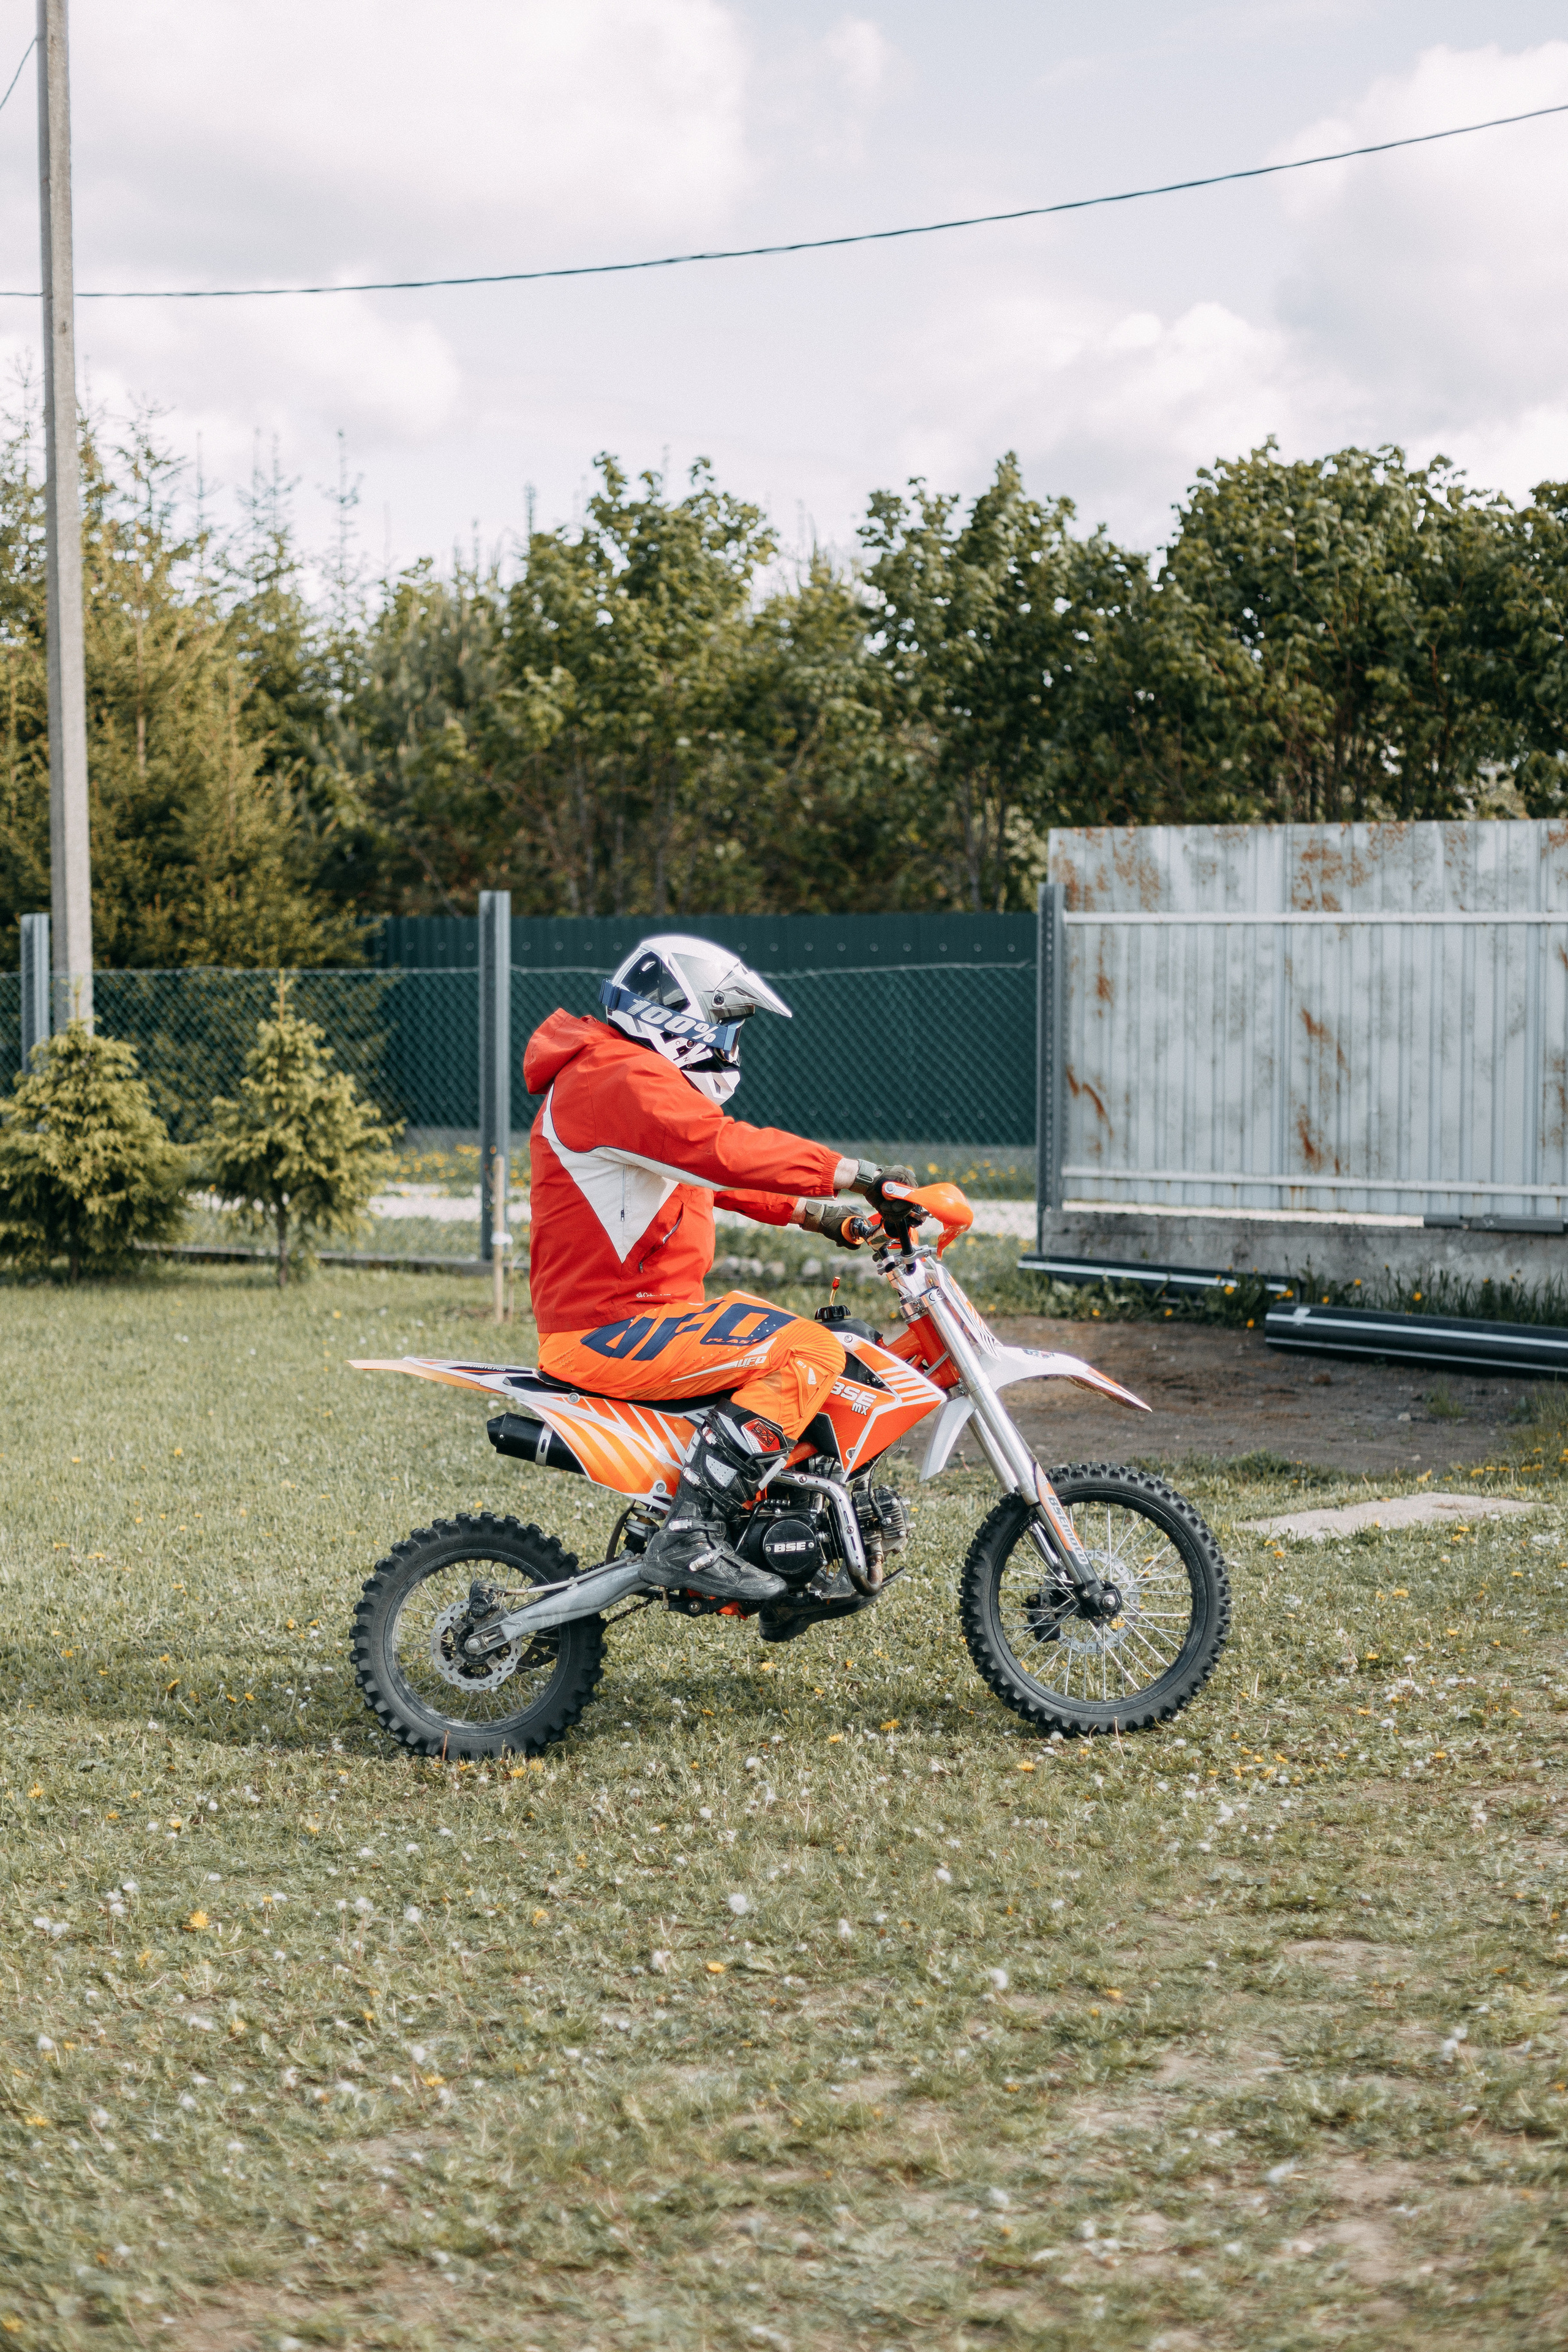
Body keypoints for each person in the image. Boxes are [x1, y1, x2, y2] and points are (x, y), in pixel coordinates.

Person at [522, 934, 907, 1605]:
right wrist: (853, 1174)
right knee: (810, 1351)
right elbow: (717, 1149)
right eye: (723, 1022)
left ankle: (792, 1566)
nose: (728, 1041)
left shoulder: (615, 1074)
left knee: (831, 1353)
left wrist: (823, 1215)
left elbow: (704, 1173)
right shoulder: (616, 1076)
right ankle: (691, 1534)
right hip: (611, 1330)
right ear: (678, 1014)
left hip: (642, 1319)